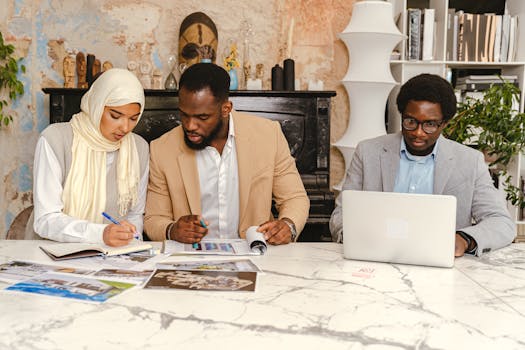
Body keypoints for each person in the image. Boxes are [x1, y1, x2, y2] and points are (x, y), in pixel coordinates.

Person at [330, 73, 516, 257]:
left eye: (430, 124)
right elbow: (340, 215)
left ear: (445, 124)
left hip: (442, 265)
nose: (418, 133)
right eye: (411, 122)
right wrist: (357, 237)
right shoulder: (368, 152)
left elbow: (501, 222)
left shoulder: (470, 161)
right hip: (377, 258)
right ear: (402, 116)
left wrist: (464, 239)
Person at [144, 63, 309, 244]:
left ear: (226, 109)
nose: (190, 126)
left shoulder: (268, 135)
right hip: (192, 260)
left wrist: (288, 226)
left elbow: (294, 198)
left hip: (254, 255)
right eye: (184, 115)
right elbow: (153, 219)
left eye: (202, 117)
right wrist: (172, 230)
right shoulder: (162, 148)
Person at [32, 68, 149, 247]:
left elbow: (135, 214)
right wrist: (100, 234)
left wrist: (130, 239)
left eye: (133, 118)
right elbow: (45, 219)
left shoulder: (139, 148)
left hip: (111, 255)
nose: (125, 128)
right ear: (96, 104)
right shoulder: (55, 139)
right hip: (52, 252)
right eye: (115, 116)